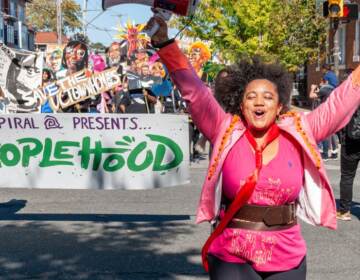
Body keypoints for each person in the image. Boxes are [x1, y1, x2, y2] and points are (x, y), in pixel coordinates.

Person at [145, 17, 360, 280]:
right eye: (251, 96)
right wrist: (166, 45)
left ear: (280, 105)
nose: (259, 102)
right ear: (241, 103)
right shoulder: (224, 127)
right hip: (231, 255)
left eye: (268, 97)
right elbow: (195, 92)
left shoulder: (301, 129)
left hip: (287, 256)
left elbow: (340, 102)